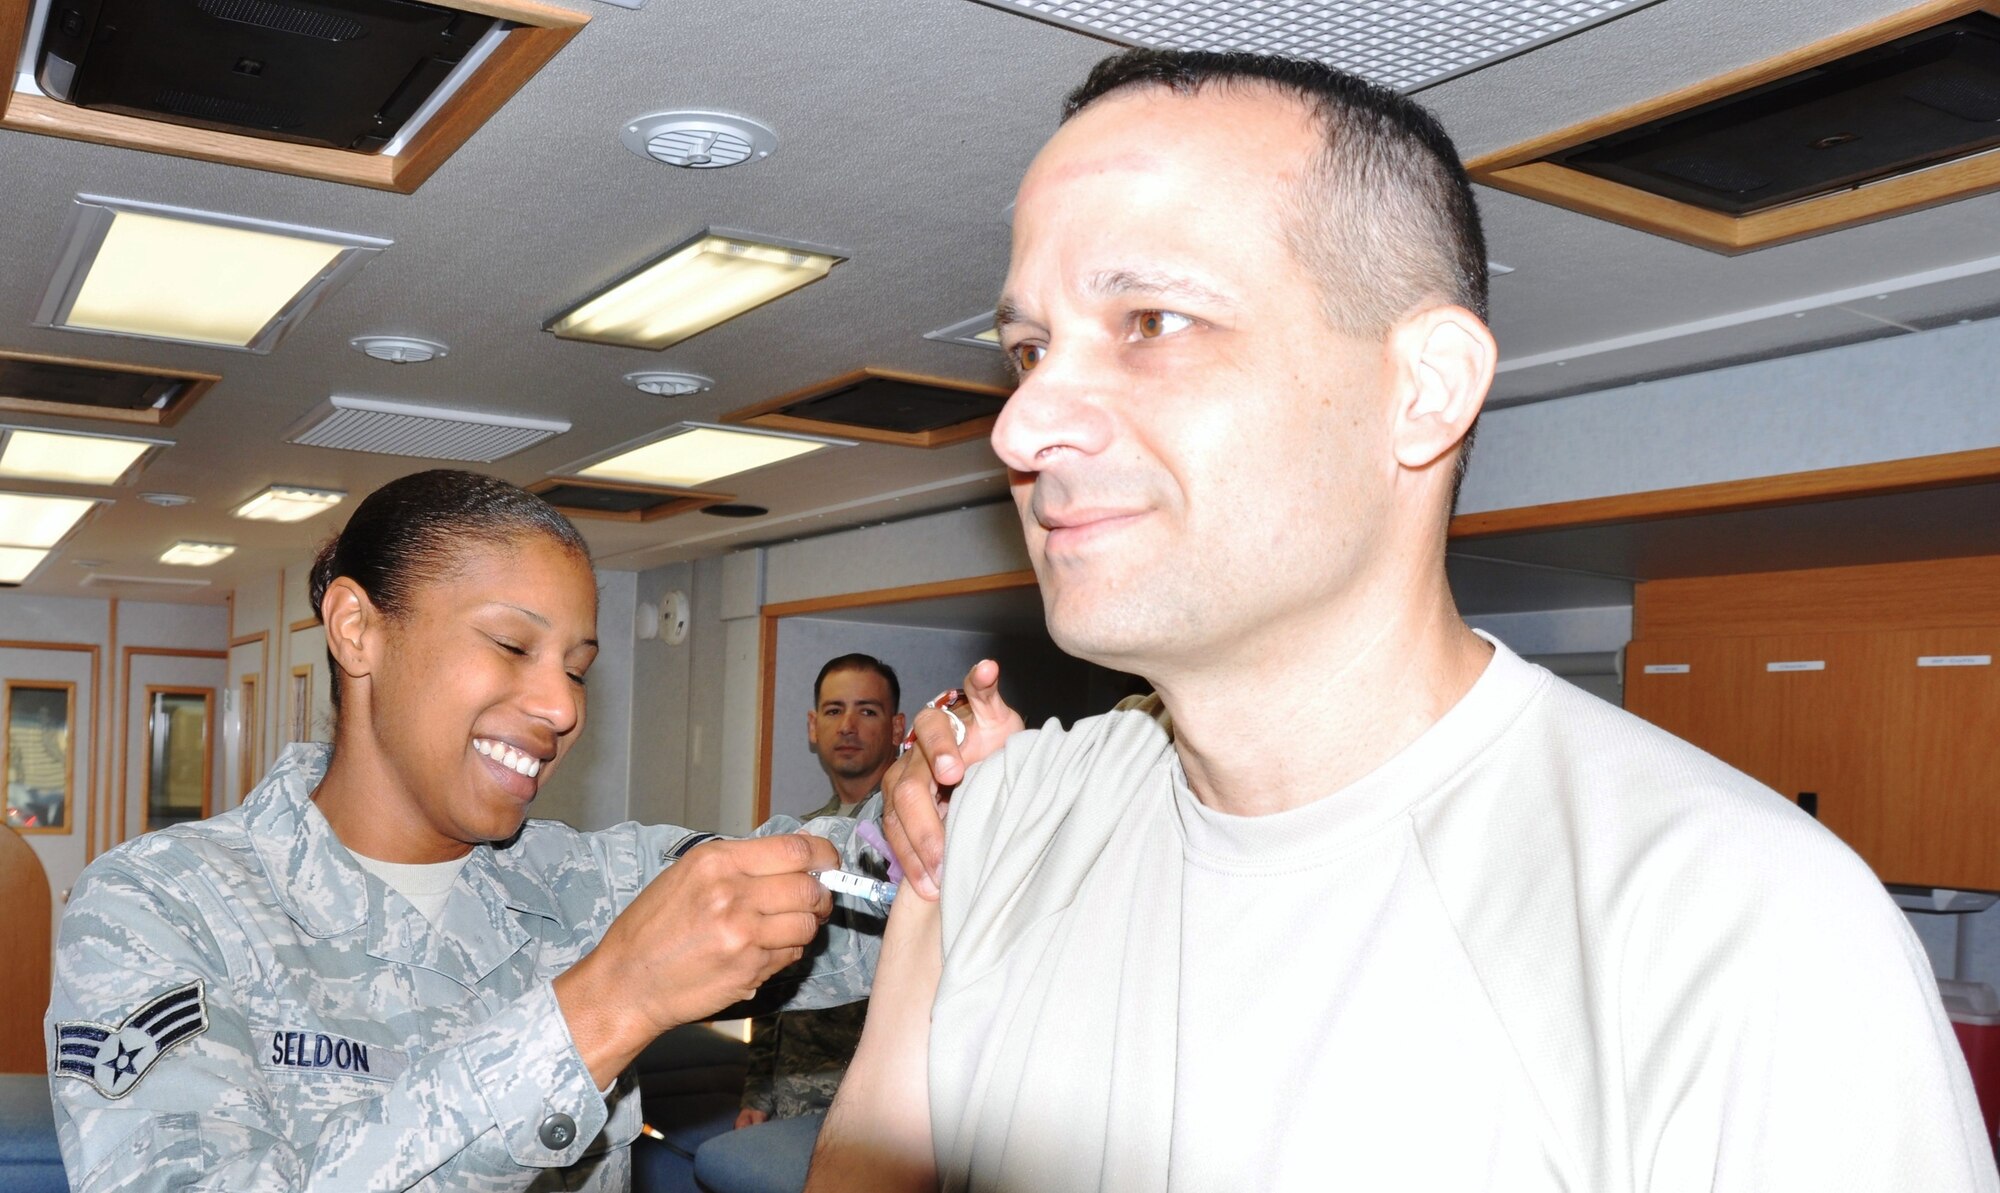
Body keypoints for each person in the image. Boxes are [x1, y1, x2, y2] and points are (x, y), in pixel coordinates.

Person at [810, 50, 1997, 1192]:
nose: (1019, 427)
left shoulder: (1733, 927)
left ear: (1423, 389)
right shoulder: (1001, 821)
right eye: (1028, 350)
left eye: (1153, 322)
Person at [46, 470, 886, 1192]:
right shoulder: (161, 905)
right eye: (512, 644)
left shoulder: (587, 885)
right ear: (357, 629)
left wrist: (932, 807)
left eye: (577, 670)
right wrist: (605, 1004)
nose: (561, 706)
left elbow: (864, 892)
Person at [695, 655, 906, 1193]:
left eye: (868, 711)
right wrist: (758, 1092)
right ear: (813, 727)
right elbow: (769, 974)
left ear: (897, 727)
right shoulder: (796, 841)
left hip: (880, 1115)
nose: (848, 726)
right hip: (795, 1093)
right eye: (834, 711)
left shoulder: (914, 839)